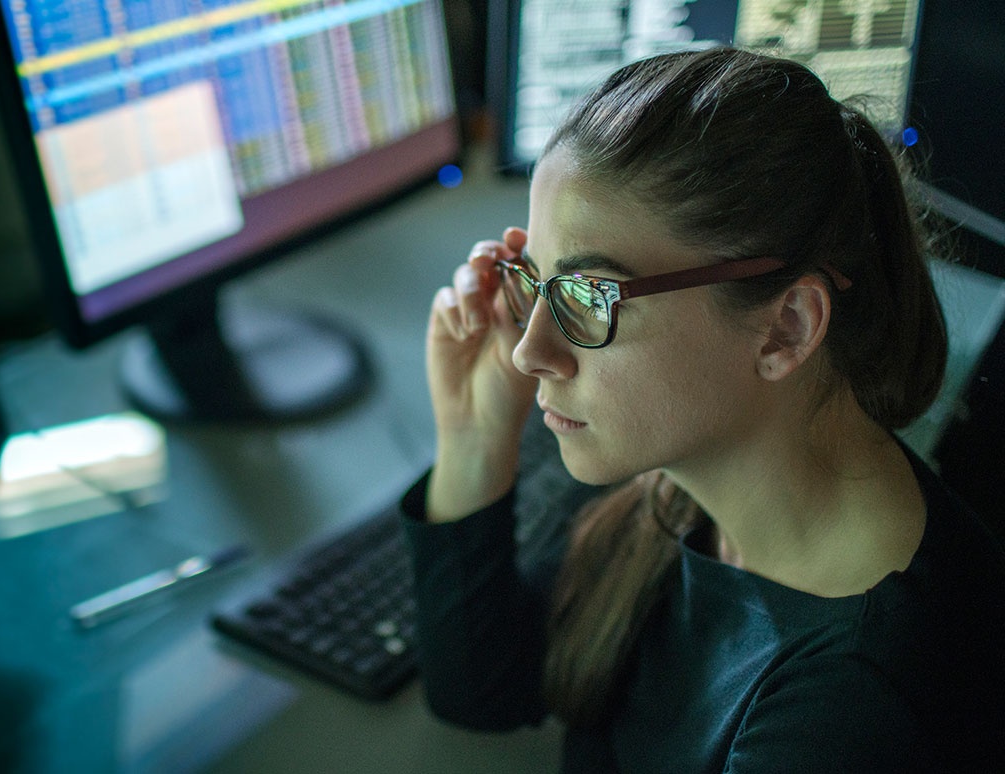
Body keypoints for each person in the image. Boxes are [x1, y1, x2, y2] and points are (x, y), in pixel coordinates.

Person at [398, 47, 1005, 772]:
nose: (532, 353)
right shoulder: (686, 484)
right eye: (533, 281)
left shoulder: (854, 715)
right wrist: (474, 440)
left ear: (786, 329)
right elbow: (484, 690)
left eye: (592, 297)